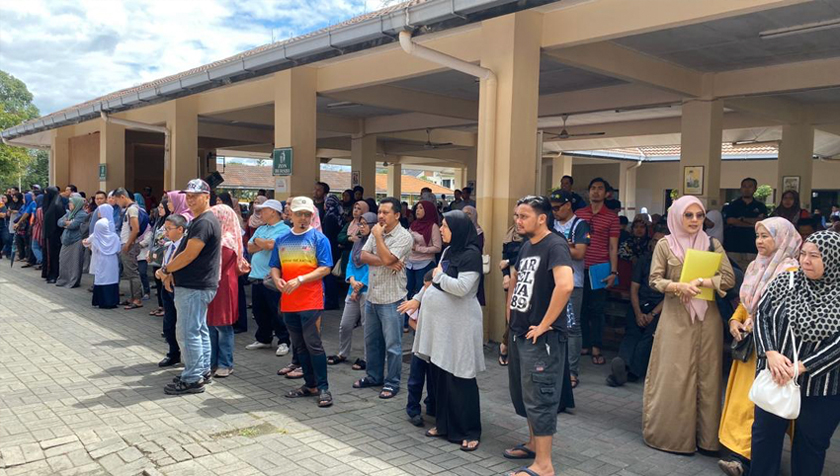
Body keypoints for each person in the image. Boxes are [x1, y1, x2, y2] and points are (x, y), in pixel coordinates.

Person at [644, 196, 735, 454]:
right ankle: (672, 438)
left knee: (708, 376)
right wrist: (678, 286)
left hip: (708, 320)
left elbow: (727, 278)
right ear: (677, 216)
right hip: (676, 317)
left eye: (699, 215)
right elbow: (655, 280)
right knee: (675, 375)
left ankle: (707, 440)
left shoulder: (712, 244)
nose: (695, 220)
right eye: (689, 215)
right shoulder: (665, 245)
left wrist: (703, 282)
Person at [749, 230, 840, 476]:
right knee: (764, 441)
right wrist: (770, 353)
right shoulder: (785, 281)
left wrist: (802, 366)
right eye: (803, 254)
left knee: (810, 448)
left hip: (821, 385)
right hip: (776, 375)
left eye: (815, 256)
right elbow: (762, 316)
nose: (806, 260)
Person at [716, 217, 800, 476]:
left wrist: (756, 323)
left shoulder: (791, 271)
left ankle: (749, 459)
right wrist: (734, 321)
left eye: (766, 236)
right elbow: (746, 301)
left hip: (771, 350)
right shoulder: (755, 266)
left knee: (761, 404)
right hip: (748, 345)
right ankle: (740, 454)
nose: (760, 241)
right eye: (758, 236)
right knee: (743, 402)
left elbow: (784, 313)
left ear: (782, 238)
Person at [401, 209, 485, 450]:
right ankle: (445, 424)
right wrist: (420, 296)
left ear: (458, 229)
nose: (443, 230)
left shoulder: (472, 255)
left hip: (459, 327)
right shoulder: (449, 250)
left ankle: (469, 430)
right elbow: (433, 283)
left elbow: (463, 288)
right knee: (440, 377)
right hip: (440, 328)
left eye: (446, 226)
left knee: (461, 378)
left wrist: (438, 277)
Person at [502, 195, 574, 476]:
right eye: (517, 216)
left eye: (523, 216)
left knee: (541, 396)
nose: (517, 221)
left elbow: (565, 286)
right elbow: (516, 280)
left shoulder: (555, 245)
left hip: (542, 338)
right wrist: (510, 322)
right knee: (525, 394)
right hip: (521, 332)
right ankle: (533, 445)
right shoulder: (526, 246)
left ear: (542, 218)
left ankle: (544, 465)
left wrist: (545, 324)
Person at [269, 196, 334, 408]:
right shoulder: (282, 240)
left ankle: (323, 387)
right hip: (288, 300)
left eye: (307, 214)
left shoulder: (319, 239)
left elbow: (326, 268)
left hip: (311, 300)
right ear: (291, 215)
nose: (303, 218)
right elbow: (275, 265)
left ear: (312, 216)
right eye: (299, 214)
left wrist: (300, 279)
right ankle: (310, 384)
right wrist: (277, 278)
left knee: (313, 344)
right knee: (299, 345)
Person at [158, 179, 221, 395]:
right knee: (198, 329)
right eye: (188, 195)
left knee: (188, 332)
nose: (190, 199)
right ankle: (201, 371)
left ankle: (193, 378)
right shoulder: (200, 220)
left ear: (207, 196)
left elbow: (189, 254)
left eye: (195, 195)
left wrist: (166, 270)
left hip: (195, 286)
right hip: (197, 285)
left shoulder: (204, 222)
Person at [353, 197, 413, 399]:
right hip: (373, 295)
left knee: (393, 346)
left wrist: (378, 239)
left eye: (386, 212)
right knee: (372, 342)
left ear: (397, 215)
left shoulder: (404, 237)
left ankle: (392, 382)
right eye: (379, 212)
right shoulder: (377, 230)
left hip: (392, 298)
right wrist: (387, 262)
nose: (381, 216)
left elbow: (387, 258)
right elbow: (363, 256)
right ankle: (373, 376)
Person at [607, 225, 667, 387]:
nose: (656, 245)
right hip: (640, 304)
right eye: (654, 241)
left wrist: (652, 314)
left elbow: (670, 296)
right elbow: (634, 288)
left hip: (659, 308)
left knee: (648, 337)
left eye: (661, 242)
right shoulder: (644, 260)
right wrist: (638, 312)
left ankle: (632, 372)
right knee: (632, 332)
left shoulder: (672, 265)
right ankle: (622, 366)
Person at [576, 178, 620, 365]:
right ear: (588, 192)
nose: (596, 192)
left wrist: (614, 271)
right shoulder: (579, 214)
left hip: (600, 268)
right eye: (592, 188)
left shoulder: (612, 217)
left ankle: (596, 347)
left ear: (606, 193)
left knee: (597, 310)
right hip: (579, 268)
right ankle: (584, 344)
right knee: (581, 308)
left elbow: (613, 247)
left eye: (600, 189)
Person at [550, 190, 589, 387]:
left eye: (557, 208)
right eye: (552, 208)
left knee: (572, 327)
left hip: (574, 282)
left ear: (568, 205)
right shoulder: (550, 222)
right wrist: (567, 246)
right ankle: (555, 367)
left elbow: (580, 253)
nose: (554, 212)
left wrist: (559, 245)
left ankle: (572, 372)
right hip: (551, 283)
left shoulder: (579, 225)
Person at [328, 211, 377, 369]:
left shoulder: (377, 243)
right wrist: (352, 281)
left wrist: (359, 285)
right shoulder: (357, 242)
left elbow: (373, 267)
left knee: (366, 325)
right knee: (345, 324)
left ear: (372, 225)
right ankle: (343, 353)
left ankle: (367, 358)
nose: (361, 227)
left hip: (366, 289)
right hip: (353, 287)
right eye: (360, 224)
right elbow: (350, 263)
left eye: (364, 224)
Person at [245, 200, 292, 355]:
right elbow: (250, 248)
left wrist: (260, 242)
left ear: (273, 211)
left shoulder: (284, 229)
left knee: (276, 311)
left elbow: (271, 245)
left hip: (272, 278)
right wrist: (262, 243)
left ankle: (284, 340)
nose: (260, 213)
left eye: (263, 210)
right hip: (257, 276)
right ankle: (264, 338)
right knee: (259, 311)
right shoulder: (261, 228)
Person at [207, 204, 248, 378]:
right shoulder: (217, 237)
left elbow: (216, 263)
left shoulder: (227, 240)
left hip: (223, 285)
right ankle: (212, 362)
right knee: (210, 324)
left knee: (223, 326)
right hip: (212, 284)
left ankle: (225, 363)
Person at [402, 270, 436, 426]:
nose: (426, 291)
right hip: (420, 344)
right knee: (416, 378)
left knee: (433, 378)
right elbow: (411, 321)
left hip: (435, 346)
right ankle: (413, 409)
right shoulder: (420, 299)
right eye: (424, 287)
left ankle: (432, 405)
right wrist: (423, 329)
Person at [404, 200, 442, 332]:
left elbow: (437, 248)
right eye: (417, 208)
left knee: (422, 293)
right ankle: (406, 321)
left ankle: (421, 321)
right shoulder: (413, 224)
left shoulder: (433, 227)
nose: (417, 211)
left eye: (421, 208)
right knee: (408, 291)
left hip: (425, 263)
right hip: (410, 263)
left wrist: (420, 249)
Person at [155, 214, 186, 368]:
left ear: (180, 229)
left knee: (182, 324)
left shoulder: (185, 246)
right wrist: (160, 272)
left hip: (178, 287)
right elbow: (164, 265)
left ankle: (186, 356)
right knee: (169, 324)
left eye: (169, 229)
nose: (166, 232)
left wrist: (167, 274)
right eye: (165, 229)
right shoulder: (169, 245)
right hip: (165, 288)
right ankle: (173, 353)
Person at [723, 178, 768, 272]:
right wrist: (752, 224)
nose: (747, 189)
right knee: (734, 273)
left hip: (752, 246)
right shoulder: (732, 205)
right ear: (740, 188)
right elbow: (730, 220)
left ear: (755, 189)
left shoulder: (760, 206)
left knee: (753, 273)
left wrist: (742, 219)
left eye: (750, 186)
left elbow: (761, 222)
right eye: (744, 186)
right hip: (733, 246)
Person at [113, 188, 146, 310]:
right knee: (129, 272)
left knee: (132, 273)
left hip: (130, 245)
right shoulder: (131, 209)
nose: (117, 203)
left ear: (122, 197)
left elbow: (135, 229)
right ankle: (133, 297)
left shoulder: (132, 209)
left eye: (116, 200)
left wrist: (127, 244)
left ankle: (137, 299)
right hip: (129, 243)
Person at [84, 204, 121, 309]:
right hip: (112, 260)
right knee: (111, 278)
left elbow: (90, 243)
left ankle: (101, 301)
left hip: (101, 259)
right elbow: (118, 249)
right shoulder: (114, 236)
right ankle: (112, 301)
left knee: (102, 278)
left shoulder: (97, 237)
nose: (98, 213)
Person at [498, 218, 525, 367]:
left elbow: (525, 254)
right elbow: (504, 256)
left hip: (524, 278)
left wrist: (508, 262)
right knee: (510, 315)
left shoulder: (531, 236)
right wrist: (506, 275)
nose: (518, 219)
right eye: (516, 215)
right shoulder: (510, 234)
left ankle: (504, 344)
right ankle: (508, 346)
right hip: (511, 278)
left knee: (518, 315)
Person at [55, 196, 88, 288]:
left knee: (74, 262)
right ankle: (63, 280)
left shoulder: (82, 214)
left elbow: (73, 225)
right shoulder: (69, 213)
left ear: (77, 204)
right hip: (66, 240)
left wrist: (67, 223)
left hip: (76, 240)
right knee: (63, 260)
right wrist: (67, 223)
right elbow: (59, 222)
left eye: (71, 203)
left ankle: (73, 281)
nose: (69, 205)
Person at [337, 200, 370, 280]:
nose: (355, 210)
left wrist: (345, 242)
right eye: (354, 208)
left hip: (357, 258)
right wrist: (349, 238)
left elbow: (358, 239)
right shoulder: (349, 224)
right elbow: (339, 237)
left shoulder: (366, 226)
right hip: (345, 257)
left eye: (359, 209)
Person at [462, 205, 486, 306]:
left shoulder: (478, 232)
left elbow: (477, 248)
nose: (466, 216)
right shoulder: (459, 230)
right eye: (464, 213)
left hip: (473, 265)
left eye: (469, 213)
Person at [41, 187, 65, 283]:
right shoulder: (52, 204)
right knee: (49, 254)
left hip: (54, 235)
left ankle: (53, 274)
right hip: (50, 234)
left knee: (53, 255)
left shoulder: (56, 205)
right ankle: (48, 273)